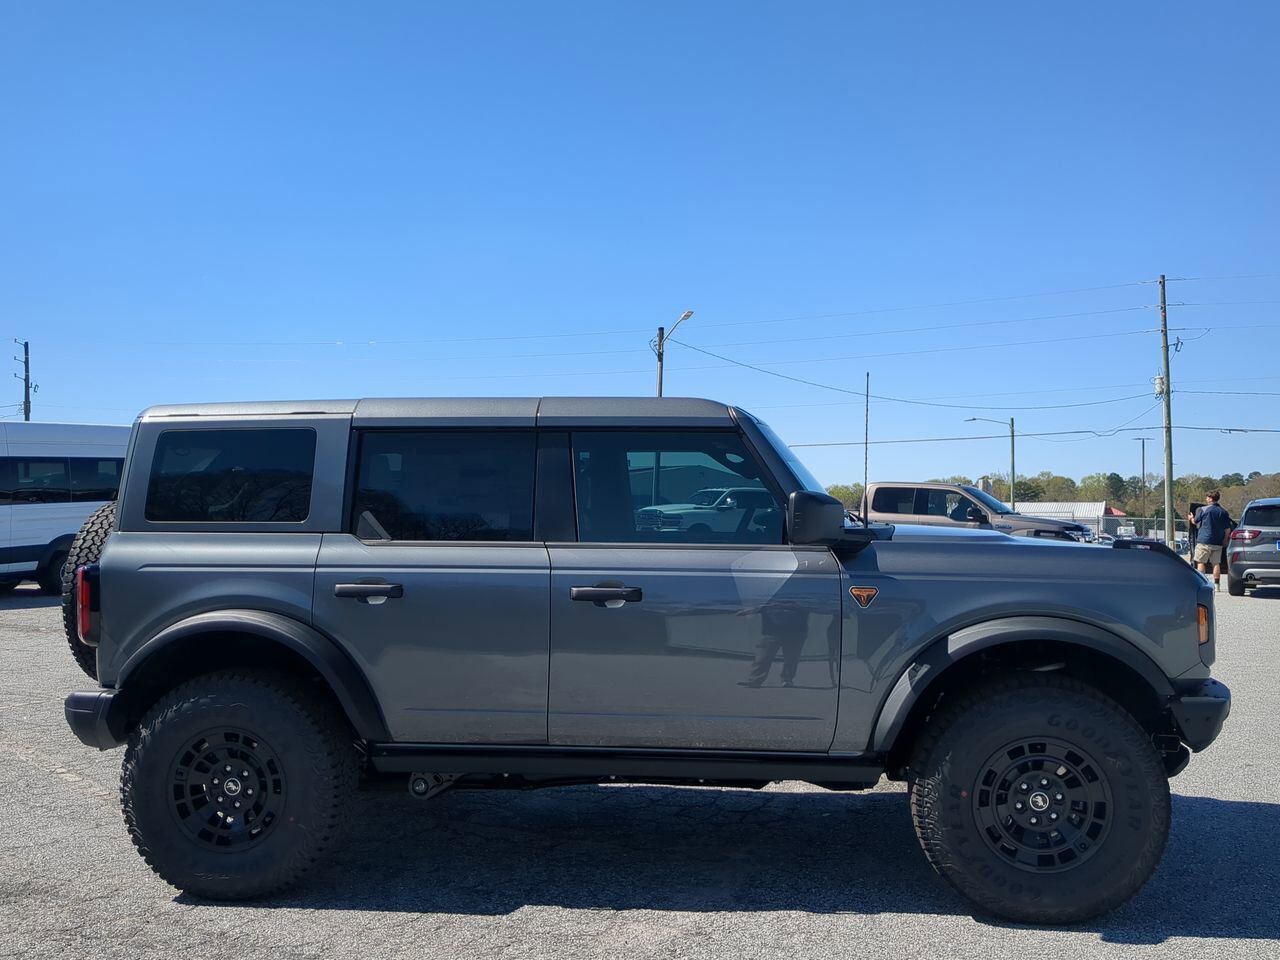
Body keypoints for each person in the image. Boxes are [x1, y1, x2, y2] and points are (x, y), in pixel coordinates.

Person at [1187, 491, 1232, 589]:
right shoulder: (1223, 512)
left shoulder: (1202, 509)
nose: (1206, 499)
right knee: (1216, 563)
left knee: (1200, 562)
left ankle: (1202, 584)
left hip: (1204, 541)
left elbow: (1196, 521)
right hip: (1217, 542)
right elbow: (1227, 529)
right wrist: (1225, 540)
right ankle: (1217, 585)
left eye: (1207, 497)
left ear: (1211, 498)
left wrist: (1191, 518)